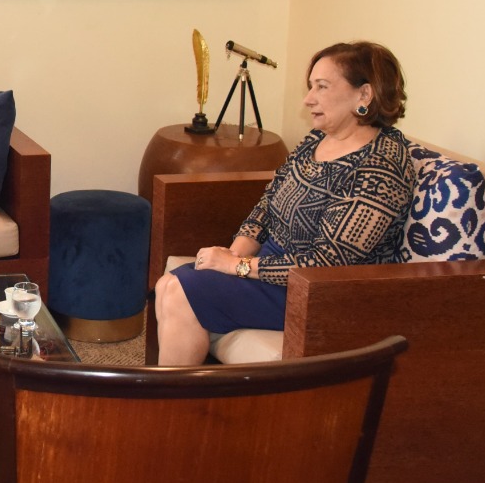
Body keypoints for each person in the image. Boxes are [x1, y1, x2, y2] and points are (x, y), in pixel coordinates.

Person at [154, 40, 415, 366]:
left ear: (364, 95)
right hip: (275, 270)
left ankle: (170, 407)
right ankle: (180, 403)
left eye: (322, 87)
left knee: (180, 292)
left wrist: (237, 267)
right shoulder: (319, 140)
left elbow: (328, 264)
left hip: (320, 293)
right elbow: (269, 201)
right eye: (310, 86)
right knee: (168, 285)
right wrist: (238, 250)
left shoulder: (381, 165)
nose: (308, 99)